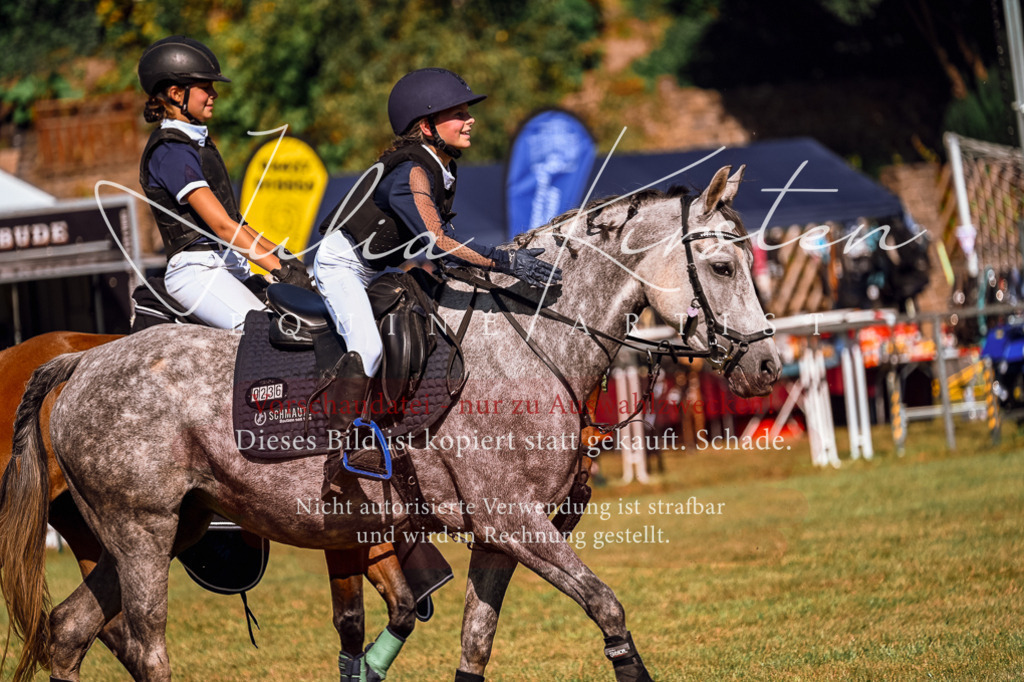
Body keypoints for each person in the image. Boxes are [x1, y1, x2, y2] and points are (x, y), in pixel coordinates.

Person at [314, 67, 562, 443]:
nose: (470, 119)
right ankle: (340, 444)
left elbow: (438, 247)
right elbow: (439, 242)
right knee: (368, 348)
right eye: (458, 114)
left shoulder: (441, 167)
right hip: (341, 266)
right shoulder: (412, 172)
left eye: (467, 112)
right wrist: (507, 261)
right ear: (427, 126)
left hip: (373, 270)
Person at [138, 35, 311, 331]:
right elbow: (221, 226)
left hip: (226, 265)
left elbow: (236, 221)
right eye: (206, 88)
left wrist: (284, 258)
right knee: (268, 333)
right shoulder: (171, 151)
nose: (214, 94)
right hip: (198, 273)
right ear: (177, 94)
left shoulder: (196, 144)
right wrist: (278, 269)